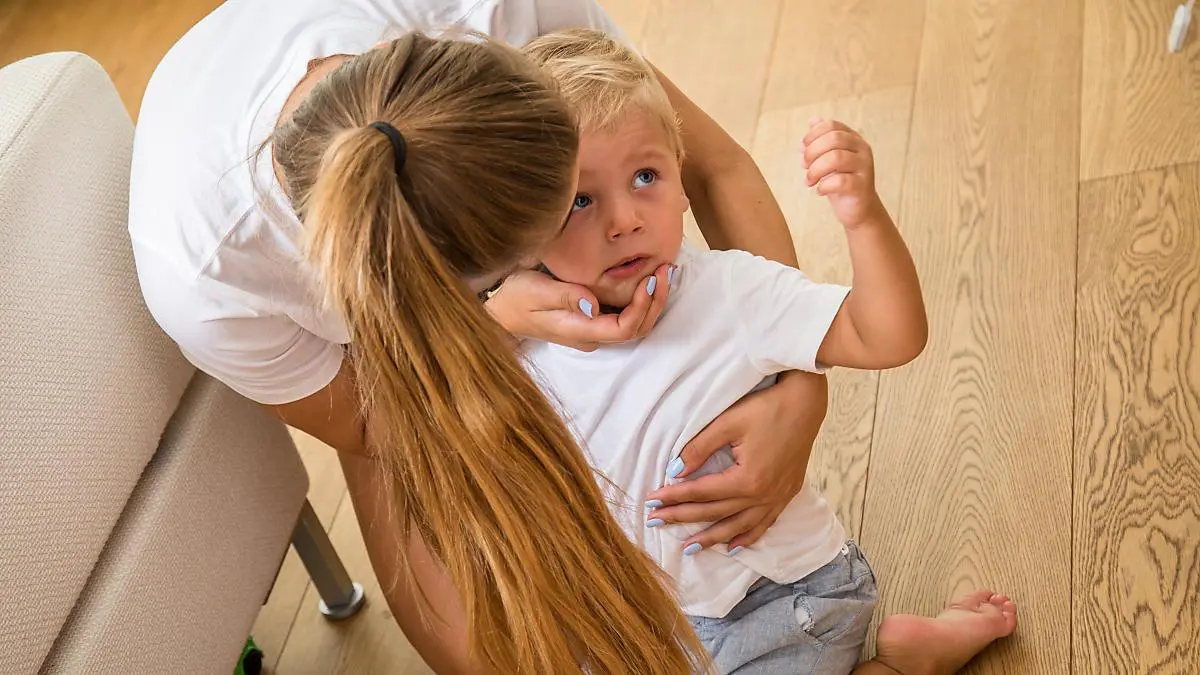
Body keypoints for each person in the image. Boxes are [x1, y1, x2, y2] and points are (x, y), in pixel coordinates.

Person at [129, 0, 835, 672]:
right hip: (373, 365)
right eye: (568, 217)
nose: (608, 234)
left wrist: (798, 390)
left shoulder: (496, 13)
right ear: (440, 286)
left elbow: (711, 163)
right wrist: (497, 326)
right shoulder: (212, 279)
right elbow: (377, 431)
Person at [518, 29, 1019, 675]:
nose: (625, 219)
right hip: (647, 627)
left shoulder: (729, 291)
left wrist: (862, 217)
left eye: (646, 176)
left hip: (777, 605)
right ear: (520, 228)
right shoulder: (518, 344)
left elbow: (886, 335)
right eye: (580, 200)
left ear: (682, 181)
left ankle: (902, 663)